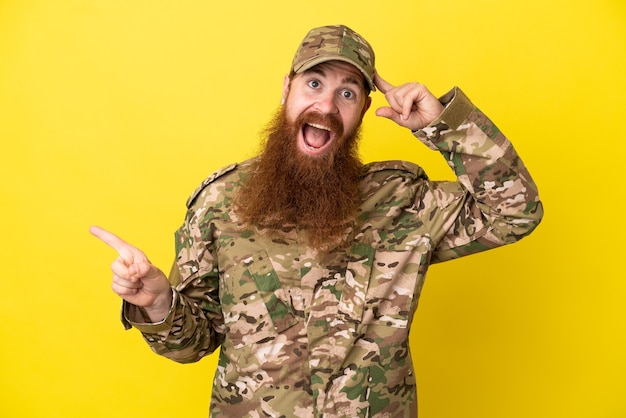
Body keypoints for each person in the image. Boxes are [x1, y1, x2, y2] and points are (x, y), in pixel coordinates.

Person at [90, 24, 543, 417]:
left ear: (363, 110)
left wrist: (443, 123)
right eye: (314, 84)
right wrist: (156, 301)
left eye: (347, 93)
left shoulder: (401, 203)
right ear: (286, 88)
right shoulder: (219, 203)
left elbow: (516, 210)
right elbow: (190, 344)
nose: (326, 105)